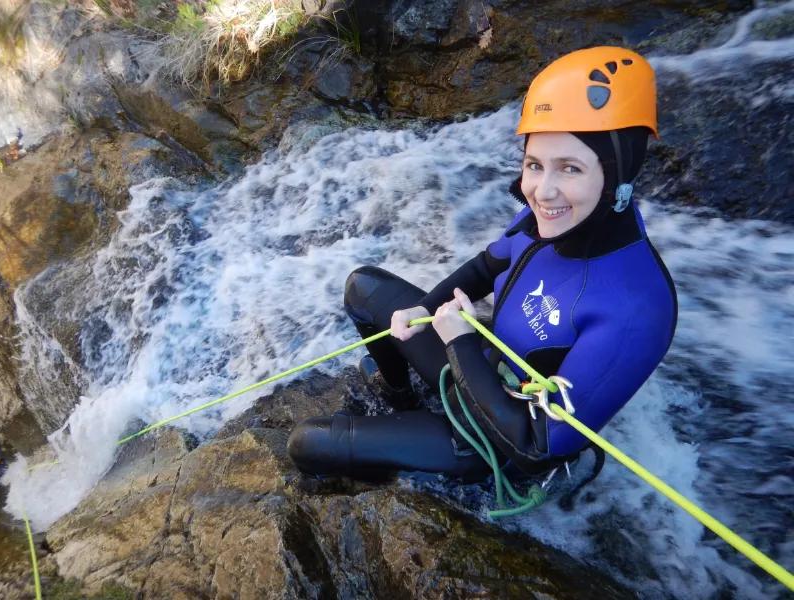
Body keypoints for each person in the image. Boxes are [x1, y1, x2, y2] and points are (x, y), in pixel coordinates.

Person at [287, 47, 678, 483]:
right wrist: (426, 309)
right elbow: (487, 264)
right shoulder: (550, 218)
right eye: (534, 164)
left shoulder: (634, 308)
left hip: (491, 439)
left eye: (569, 168)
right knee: (363, 287)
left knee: (308, 442)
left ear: (619, 176)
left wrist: (461, 345)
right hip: (472, 365)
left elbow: (536, 447)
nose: (541, 191)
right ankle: (399, 396)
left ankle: (423, 454)